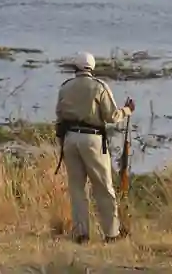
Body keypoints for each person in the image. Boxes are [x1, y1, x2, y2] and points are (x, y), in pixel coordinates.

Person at [54, 51, 135, 243]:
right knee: (103, 188)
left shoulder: (65, 87)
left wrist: (62, 144)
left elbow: (59, 116)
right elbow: (111, 117)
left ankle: (81, 234)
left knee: (77, 189)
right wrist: (127, 110)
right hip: (93, 139)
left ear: (75, 68)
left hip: (70, 139)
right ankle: (112, 233)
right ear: (92, 68)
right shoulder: (99, 87)